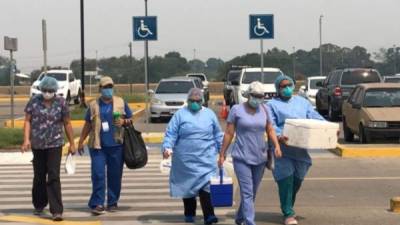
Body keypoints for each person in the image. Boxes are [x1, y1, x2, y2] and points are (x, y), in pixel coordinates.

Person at [218, 81, 282, 225]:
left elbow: (270, 129)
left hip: (260, 157)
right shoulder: (236, 110)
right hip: (241, 157)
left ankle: (240, 217)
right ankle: (249, 222)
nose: (257, 99)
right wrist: (222, 153)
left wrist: (277, 145)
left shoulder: (265, 110)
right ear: (248, 95)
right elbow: (229, 133)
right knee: (246, 193)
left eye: (260, 96)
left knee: (252, 193)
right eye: (255, 96)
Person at [266, 75, 325, 225]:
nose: (286, 88)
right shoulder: (271, 105)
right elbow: (271, 125)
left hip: (300, 149)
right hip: (282, 148)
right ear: (278, 89)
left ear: (293, 86)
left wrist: (329, 128)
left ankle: (288, 206)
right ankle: (288, 213)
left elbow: (314, 117)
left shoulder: (302, 102)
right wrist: (279, 136)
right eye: (283, 86)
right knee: (286, 179)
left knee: (297, 180)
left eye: (289, 85)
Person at [162, 88, 223, 225]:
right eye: (192, 101)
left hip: (206, 158)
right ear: (188, 101)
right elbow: (171, 133)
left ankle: (209, 215)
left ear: (202, 101)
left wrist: (222, 151)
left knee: (206, 187)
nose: (195, 103)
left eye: (198, 101)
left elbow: (218, 134)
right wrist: (167, 147)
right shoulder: (180, 115)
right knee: (188, 187)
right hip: (185, 160)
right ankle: (189, 213)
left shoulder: (210, 114)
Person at [21, 76, 76, 221]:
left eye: (50, 90)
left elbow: (67, 123)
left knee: (53, 176)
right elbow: (27, 121)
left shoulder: (61, 103)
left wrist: (72, 143)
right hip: (37, 145)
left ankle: (56, 210)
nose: (47, 93)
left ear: (55, 90)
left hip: (55, 144)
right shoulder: (34, 102)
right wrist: (26, 140)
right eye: (45, 90)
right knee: (39, 176)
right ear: (41, 89)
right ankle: (39, 204)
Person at [77, 76, 133, 215]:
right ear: (100, 89)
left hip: (116, 145)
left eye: (110, 87)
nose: (108, 89)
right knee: (98, 174)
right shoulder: (93, 105)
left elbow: (131, 119)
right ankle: (97, 203)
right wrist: (80, 141)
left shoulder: (121, 102)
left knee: (115, 175)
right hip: (97, 146)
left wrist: (124, 122)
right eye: (105, 87)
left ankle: (112, 202)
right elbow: (88, 124)